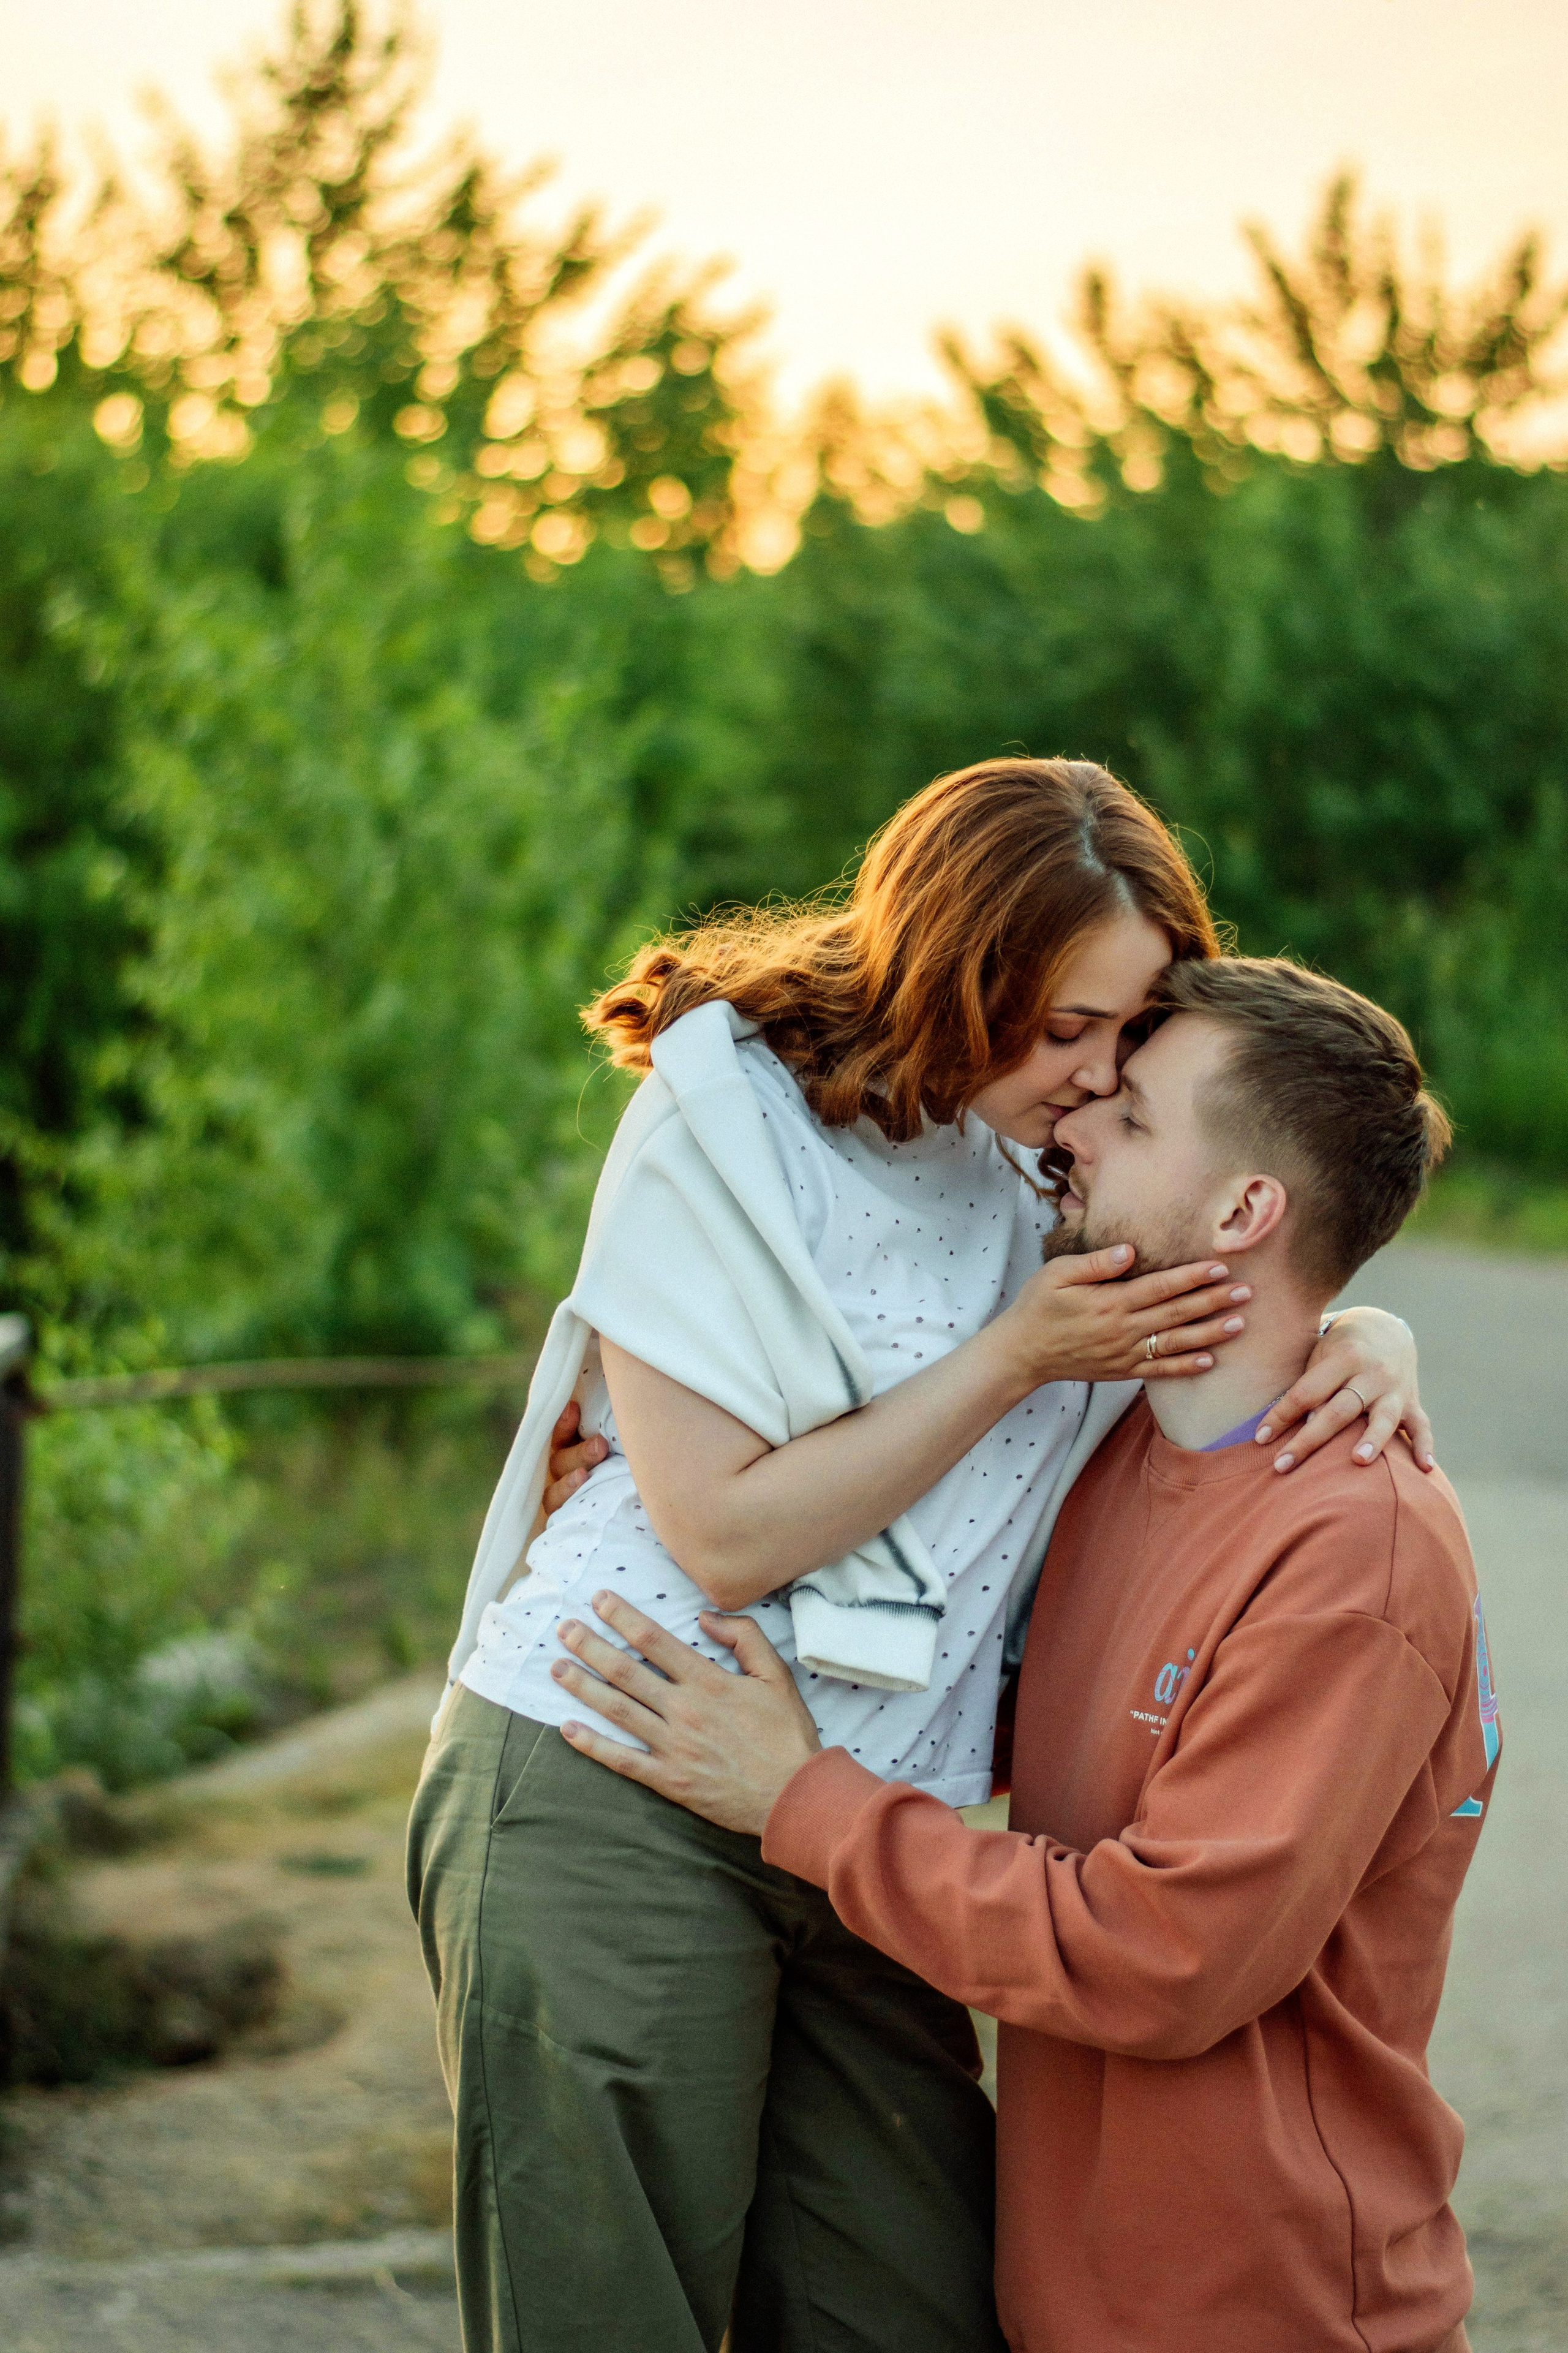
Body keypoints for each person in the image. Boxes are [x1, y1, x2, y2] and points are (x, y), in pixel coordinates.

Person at [409, 762, 1425, 2353]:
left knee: (912, 2310)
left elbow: (1251, 1246)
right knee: (607, 2318)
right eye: (1066, 1026)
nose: (1098, 1075)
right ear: (962, 976)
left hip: (866, 1821)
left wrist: (1367, 1331)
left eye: (1130, 1032)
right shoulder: (727, 1118)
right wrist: (1015, 1355)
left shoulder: (1057, 1146)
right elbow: (722, 1533)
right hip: (625, 1750)